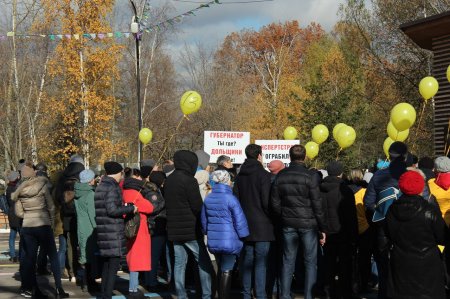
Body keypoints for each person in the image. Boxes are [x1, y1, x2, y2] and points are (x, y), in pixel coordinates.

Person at [271, 145, 327, 299]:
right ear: (305, 157)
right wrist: (322, 228)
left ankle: (285, 295)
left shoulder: (281, 176)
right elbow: (317, 204)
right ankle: (309, 295)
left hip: (288, 223)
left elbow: (274, 203)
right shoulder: (310, 176)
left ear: (290, 157)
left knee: (288, 261)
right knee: (310, 262)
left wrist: (282, 217)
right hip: (308, 224)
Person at [385, 170, 447, 299]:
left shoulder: (392, 210)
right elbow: (443, 237)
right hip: (428, 265)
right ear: (421, 187)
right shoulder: (430, 211)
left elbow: (388, 234)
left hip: (401, 263)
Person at [12, 162, 69, 298]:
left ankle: (34, 289)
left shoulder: (19, 191)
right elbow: (51, 206)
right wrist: (49, 220)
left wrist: (28, 215)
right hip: (43, 224)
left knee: (31, 259)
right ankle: (58, 288)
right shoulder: (42, 186)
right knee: (53, 256)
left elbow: (19, 212)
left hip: (27, 226)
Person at [164, 150, 214, 299]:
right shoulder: (189, 180)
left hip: (174, 229)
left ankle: (181, 295)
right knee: (203, 263)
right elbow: (197, 206)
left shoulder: (169, 180)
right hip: (190, 229)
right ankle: (206, 294)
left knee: (179, 264)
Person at [363, 141, 408, 299]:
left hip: (383, 226)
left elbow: (368, 203)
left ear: (390, 155)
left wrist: (378, 218)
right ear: (405, 156)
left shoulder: (378, 175)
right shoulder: (411, 176)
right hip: (407, 227)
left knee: (384, 267)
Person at [234, 144, 275, 299]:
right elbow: (266, 201)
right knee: (261, 263)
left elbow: (236, 200)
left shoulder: (239, 176)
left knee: (247, 262)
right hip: (263, 225)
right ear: (259, 156)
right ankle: (260, 294)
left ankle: (246, 294)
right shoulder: (264, 175)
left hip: (245, 224)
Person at [201, 170, 249, 299]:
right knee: (227, 269)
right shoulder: (231, 198)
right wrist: (244, 235)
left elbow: (204, 220)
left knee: (220, 267)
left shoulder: (209, 198)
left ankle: (217, 294)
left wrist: (207, 232)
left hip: (214, 239)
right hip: (230, 240)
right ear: (226, 181)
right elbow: (239, 220)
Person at [95, 161, 137, 299]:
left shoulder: (101, 186)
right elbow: (113, 210)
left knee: (107, 266)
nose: (122, 176)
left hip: (104, 230)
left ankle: (104, 294)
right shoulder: (112, 187)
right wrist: (131, 208)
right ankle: (107, 295)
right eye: (121, 173)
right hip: (112, 231)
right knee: (112, 268)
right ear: (118, 173)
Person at [320, 161, 358, 299]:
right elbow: (351, 216)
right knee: (345, 266)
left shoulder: (320, 188)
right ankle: (345, 292)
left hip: (326, 232)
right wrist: (354, 236)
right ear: (341, 173)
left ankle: (327, 292)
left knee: (328, 264)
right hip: (343, 233)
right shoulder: (345, 190)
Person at [122, 168, 154, 298]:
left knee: (133, 258)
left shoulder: (124, 191)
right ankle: (133, 289)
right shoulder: (133, 193)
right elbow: (149, 207)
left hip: (130, 228)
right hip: (138, 230)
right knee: (135, 260)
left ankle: (133, 288)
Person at [54, 154, 85, 281]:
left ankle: (72, 272)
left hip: (66, 215)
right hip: (81, 214)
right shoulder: (83, 175)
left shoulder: (63, 176)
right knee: (82, 242)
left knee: (69, 244)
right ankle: (84, 270)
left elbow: (57, 196)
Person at [347, 169, 372, 294]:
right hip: (364, 228)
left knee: (349, 258)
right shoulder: (364, 192)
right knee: (365, 258)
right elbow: (368, 209)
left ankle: (349, 282)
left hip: (348, 228)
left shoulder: (345, 191)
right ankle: (364, 283)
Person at [74, 169, 98, 292]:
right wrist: (97, 228)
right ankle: (89, 283)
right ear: (89, 181)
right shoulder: (89, 194)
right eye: (93, 178)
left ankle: (84, 280)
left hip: (81, 227)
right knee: (90, 256)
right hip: (89, 228)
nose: (95, 180)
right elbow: (92, 214)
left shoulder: (77, 192)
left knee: (83, 254)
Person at [6, 171, 21, 263]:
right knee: (22, 236)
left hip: (11, 213)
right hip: (19, 213)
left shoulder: (8, 189)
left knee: (12, 236)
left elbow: (8, 202)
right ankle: (21, 255)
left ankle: (12, 255)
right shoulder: (18, 188)